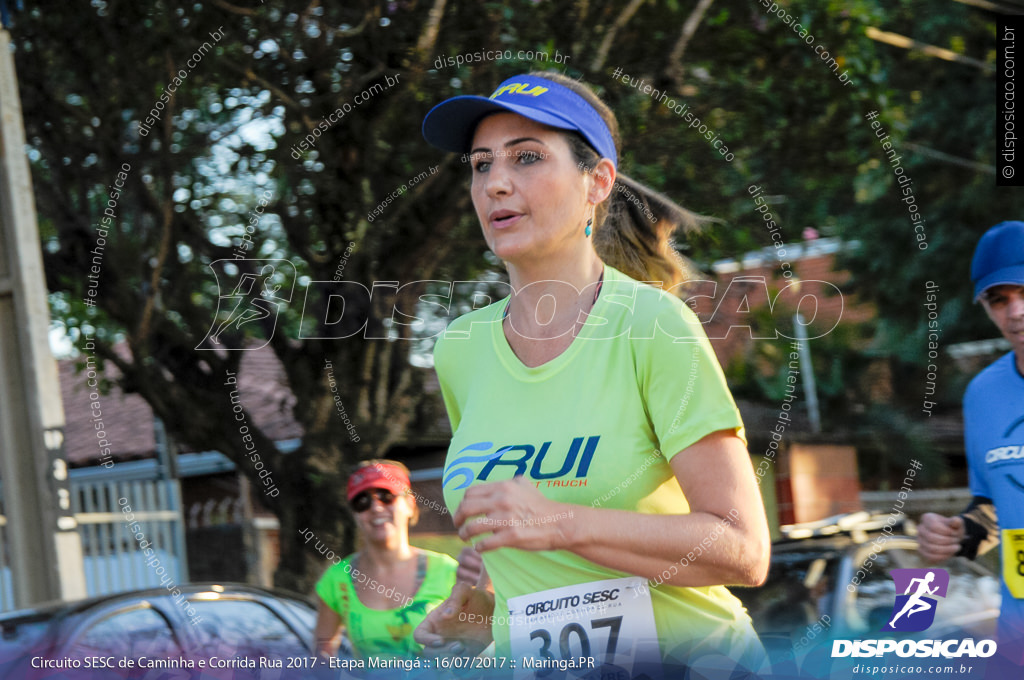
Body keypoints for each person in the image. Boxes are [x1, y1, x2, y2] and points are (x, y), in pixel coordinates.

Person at [414, 71, 771, 676]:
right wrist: (473, 611)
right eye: (480, 165)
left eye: (527, 158)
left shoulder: (654, 327)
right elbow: (520, 542)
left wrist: (559, 523)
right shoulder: (460, 349)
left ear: (597, 181)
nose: (496, 183)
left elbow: (743, 551)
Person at [917, 220, 1024, 667]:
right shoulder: (983, 394)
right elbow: (994, 511)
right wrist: (959, 535)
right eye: (999, 300)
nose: (1014, 312)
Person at [313, 460, 458, 659]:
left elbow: (481, 646)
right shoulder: (337, 578)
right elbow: (322, 658)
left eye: (386, 496)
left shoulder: (448, 571)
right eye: (362, 501)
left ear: (409, 504)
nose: (376, 507)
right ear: (354, 514)